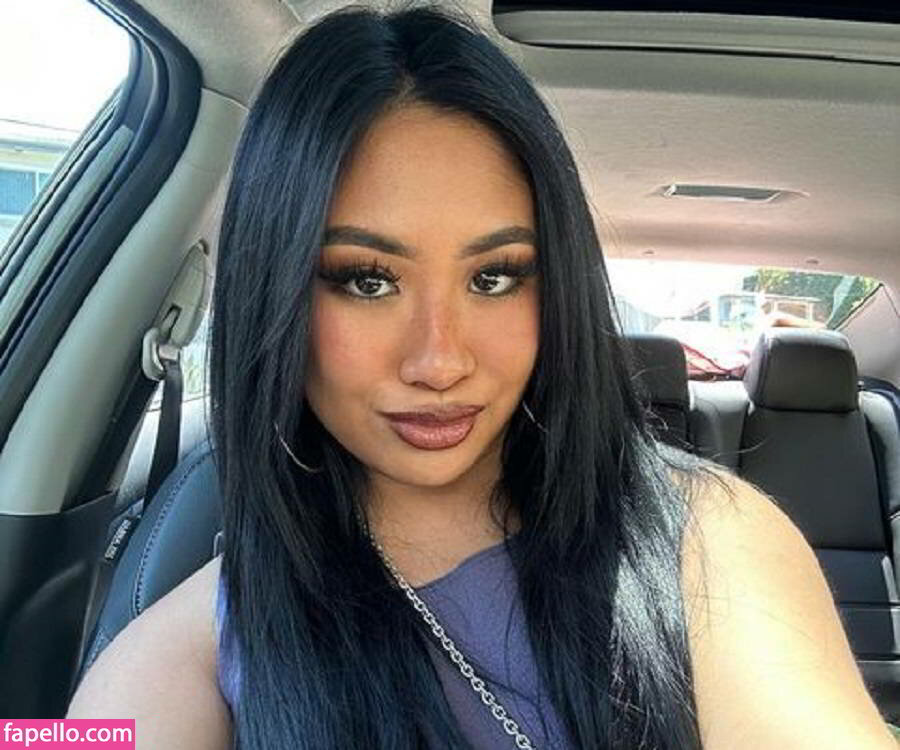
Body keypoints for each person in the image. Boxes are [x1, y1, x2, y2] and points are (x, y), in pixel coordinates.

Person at [68, 6, 896, 749]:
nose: (440, 362)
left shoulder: (708, 538)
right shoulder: (185, 648)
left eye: (495, 277)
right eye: (366, 280)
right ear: (273, 289)